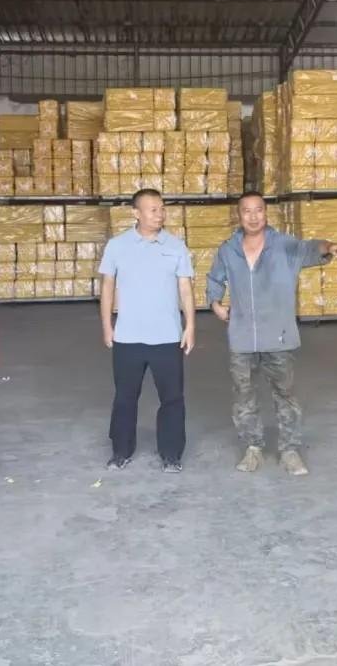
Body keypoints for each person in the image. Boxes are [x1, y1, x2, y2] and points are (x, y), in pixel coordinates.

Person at [206, 191, 337, 476]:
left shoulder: (284, 246)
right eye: (247, 211)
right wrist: (215, 303)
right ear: (239, 215)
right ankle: (253, 448)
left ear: (265, 213)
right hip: (242, 337)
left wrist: (330, 246)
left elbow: (311, 248)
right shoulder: (228, 249)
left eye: (258, 210)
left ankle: (290, 451)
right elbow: (215, 278)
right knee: (244, 395)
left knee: (285, 394)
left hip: (278, 337)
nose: (253, 216)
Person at [98, 189, 195, 473]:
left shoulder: (176, 246)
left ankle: (171, 454)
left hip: (167, 336)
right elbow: (107, 286)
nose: (159, 214)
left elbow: (185, 288)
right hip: (128, 337)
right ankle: (121, 451)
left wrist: (190, 326)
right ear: (136, 213)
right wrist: (107, 325)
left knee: (172, 398)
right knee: (125, 397)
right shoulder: (117, 246)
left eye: (162, 209)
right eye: (153, 209)